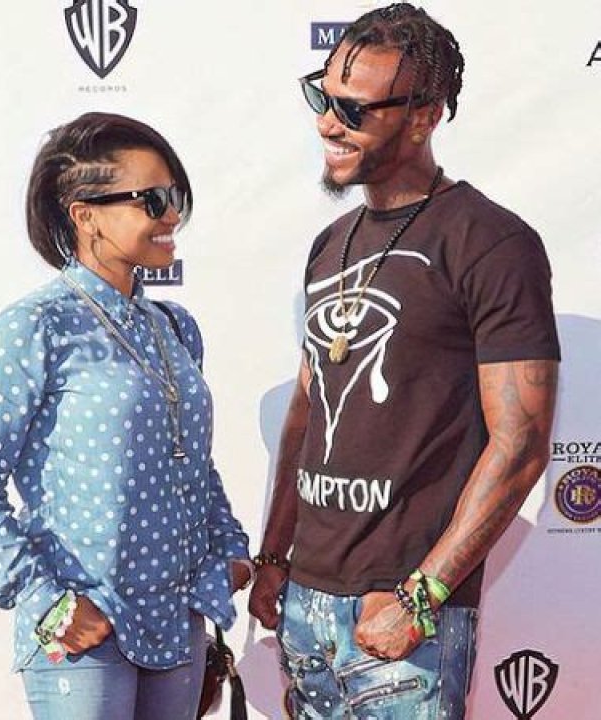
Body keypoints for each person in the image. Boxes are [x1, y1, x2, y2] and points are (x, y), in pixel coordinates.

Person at [248, 4, 560, 719]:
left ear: (424, 116)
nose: (327, 124)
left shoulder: (491, 242)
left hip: (401, 620)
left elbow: (519, 444)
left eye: (353, 110)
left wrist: (422, 597)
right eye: (322, 97)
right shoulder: (330, 243)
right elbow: (309, 411)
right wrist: (274, 557)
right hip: (304, 609)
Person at [0, 112, 252, 720]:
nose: (172, 217)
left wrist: (229, 546)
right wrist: (46, 602)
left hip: (179, 618)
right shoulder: (35, 328)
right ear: (84, 215)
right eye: (153, 201)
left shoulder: (175, 328)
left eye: (177, 198)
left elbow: (193, 461)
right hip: (84, 624)